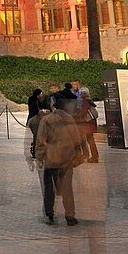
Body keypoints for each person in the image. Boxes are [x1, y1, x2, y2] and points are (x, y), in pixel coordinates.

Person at [35, 93, 84, 225]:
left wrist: (39, 157)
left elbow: (41, 141)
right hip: (67, 160)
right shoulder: (69, 118)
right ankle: (70, 216)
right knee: (67, 188)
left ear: (53, 105)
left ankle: (50, 215)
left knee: (49, 188)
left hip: (51, 159)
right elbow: (77, 139)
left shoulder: (47, 120)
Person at [75, 87, 100, 163]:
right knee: (90, 140)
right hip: (91, 124)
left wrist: (76, 114)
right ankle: (94, 156)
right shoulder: (89, 101)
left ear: (83, 94)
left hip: (87, 124)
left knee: (90, 140)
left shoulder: (86, 102)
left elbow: (83, 112)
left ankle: (94, 157)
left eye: (81, 93)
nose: (80, 95)